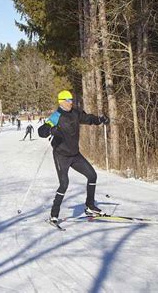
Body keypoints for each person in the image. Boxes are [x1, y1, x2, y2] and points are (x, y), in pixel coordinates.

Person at [38, 90, 110, 225]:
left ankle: (90, 206)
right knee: (64, 184)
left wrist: (99, 120)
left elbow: (88, 119)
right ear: (62, 102)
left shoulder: (75, 113)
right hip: (61, 155)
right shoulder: (56, 116)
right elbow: (42, 130)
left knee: (92, 175)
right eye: (68, 100)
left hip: (75, 154)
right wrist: (48, 130)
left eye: (71, 100)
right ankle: (54, 215)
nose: (71, 102)